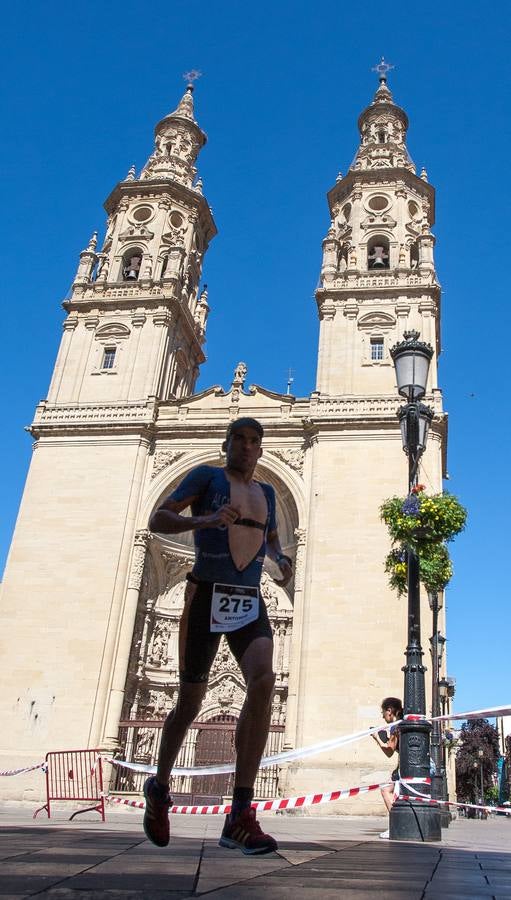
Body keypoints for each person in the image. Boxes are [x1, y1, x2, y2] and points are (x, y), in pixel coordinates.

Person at [143, 417, 293, 855]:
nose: (247, 447)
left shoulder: (267, 494)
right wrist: (205, 519)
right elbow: (159, 518)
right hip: (206, 594)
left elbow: (272, 543)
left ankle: (240, 812)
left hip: (247, 599)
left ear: (261, 449)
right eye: (239, 440)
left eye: (254, 441)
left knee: (264, 681)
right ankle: (160, 784)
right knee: (189, 702)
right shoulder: (204, 477)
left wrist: (282, 564)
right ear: (226, 444)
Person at [372, 696, 403, 839]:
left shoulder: (395, 727)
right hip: (414, 766)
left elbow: (389, 751)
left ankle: (396, 827)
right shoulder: (402, 723)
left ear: (389, 711)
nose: (383, 716)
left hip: (408, 768)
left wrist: (376, 738)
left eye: (383, 713)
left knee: (386, 790)